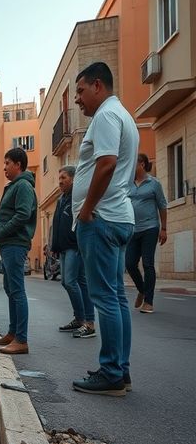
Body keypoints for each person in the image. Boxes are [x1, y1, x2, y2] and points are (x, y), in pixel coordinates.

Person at [71, 61, 138, 397]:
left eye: (80, 92)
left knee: (104, 299)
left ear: (98, 85)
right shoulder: (122, 115)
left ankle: (111, 372)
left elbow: (107, 163)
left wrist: (85, 210)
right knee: (116, 298)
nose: (78, 100)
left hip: (102, 219)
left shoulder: (107, 116)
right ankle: (120, 371)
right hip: (117, 216)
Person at [0, 147, 37, 355]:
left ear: (18, 164)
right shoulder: (15, 186)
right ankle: (13, 333)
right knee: (10, 289)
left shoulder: (24, 186)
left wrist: (2, 231)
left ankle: (21, 339)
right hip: (8, 244)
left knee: (17, 291)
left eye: (7, 163)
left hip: (15, 244)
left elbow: (23, 215)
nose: (4, 168)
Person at [51, 166, 96, 338]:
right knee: (73, 282)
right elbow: (57, 224)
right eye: (59, 178)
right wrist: (55, 246)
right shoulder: (61, 198)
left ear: (74, 179)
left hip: (75, 246)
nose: (60, 181)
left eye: (64, 177)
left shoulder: (77, 197)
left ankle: (88, 322)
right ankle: (80, 319)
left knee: (71, 282)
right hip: (63, 247)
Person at [126, 153, 167, 314]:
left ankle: (149, 302)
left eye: (133, 164)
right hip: (132, 229)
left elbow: (162, 205)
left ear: (142, 164)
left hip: (150, 228)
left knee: (148, 263)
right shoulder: (128, 184)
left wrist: (164, 228)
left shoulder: (154, 183)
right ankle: (142, 290)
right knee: (129, 263)